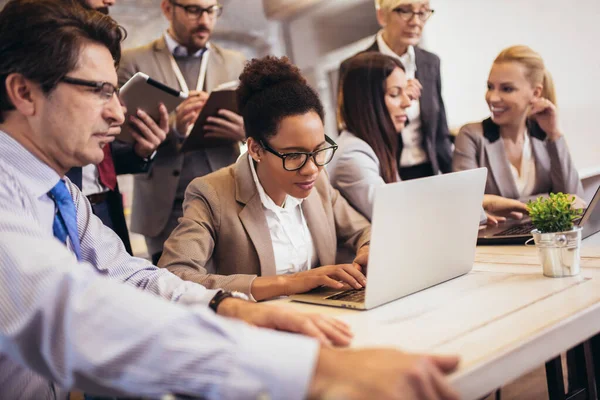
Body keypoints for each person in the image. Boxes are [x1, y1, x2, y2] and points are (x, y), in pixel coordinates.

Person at [0, 1, 462, 399]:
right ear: (24, 93)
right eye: (99, 90)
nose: (119, 111)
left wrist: (229, 306)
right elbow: (74, 314)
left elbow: (134, 278)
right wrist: (311, 370)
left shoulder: (65, 197)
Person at [158, 56, 372, 301]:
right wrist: (288, 283)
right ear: (256, 149)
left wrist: (368, 249)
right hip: (257, 326)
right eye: (294, 155)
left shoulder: (318, 183)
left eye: (319, 150)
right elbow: (173, 276)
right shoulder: (211, 195)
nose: (311, 168)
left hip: (322, 315)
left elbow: (364, 230)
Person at [329, 52, 528, 225]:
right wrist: (480, 203)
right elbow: (397, 213)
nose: (407, 103)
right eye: (395, 94)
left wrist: (476, 208)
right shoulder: (353, 155)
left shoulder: (373, 149)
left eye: (406, 92)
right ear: (367, 103)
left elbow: (408, 202)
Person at [118, 0, 247, 264]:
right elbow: (119, 136)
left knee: (235, 288)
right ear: (168, 9)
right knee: (176, 289)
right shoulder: (132, 62)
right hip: (166, 209)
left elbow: (262, 123)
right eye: (194, 10)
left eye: (212, 11)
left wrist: (247, 131)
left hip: (230, 200)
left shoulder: (237, 63)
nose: (205, 20)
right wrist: (175, 126)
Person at [64, 0, 169, 255]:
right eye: (97, 90)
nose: (117, 114)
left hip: (106, 205)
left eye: (113, 91)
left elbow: (102, 161)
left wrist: (140, 152)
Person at [453, 45, 584, 207]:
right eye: (490, 87)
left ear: (535, 93)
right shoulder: (471, 136)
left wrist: (555, 134)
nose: (493, 98)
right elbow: (466, 206)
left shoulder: (545, 137)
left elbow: (575, 202)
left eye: (507, 89)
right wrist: (549, 202)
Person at [338, 0, 453, 181]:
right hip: (386, 173)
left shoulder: (430, 62)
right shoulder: (356, 68)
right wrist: (399, 97)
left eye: (422, 12)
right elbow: (357, 127)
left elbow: (440, 131)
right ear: (382, 15)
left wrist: (454, 177)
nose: (416, 21)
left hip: (430, 170)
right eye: (405, 11)